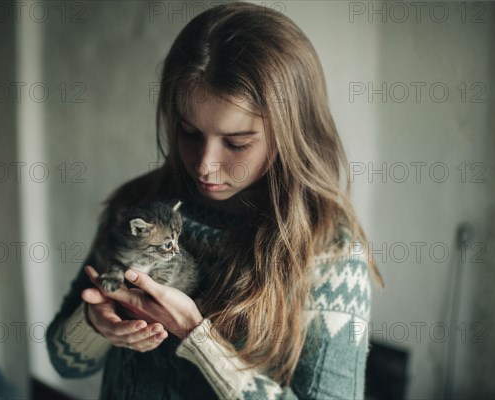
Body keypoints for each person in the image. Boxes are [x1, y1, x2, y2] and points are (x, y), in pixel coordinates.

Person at [46, 2, 385, 399]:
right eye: (190, 133)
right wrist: (94, 321)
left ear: (291, 133)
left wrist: (197, 337)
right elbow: (64, 363)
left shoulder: (329, 251)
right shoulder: (141, 206)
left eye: (237, 143)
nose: (205, 166)